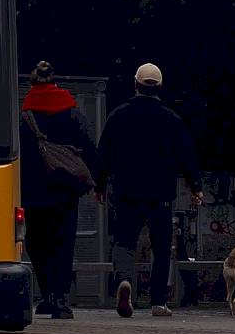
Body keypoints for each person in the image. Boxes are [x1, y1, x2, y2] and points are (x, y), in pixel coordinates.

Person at [95, 61, 202, 318]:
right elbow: (186, 154)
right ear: (160, 88)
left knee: (124, 242)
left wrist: (99, 185)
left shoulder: (119, 115)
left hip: (126, 191)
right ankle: (158, 302)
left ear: (135, 85)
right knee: (162, 247)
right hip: (161, 194)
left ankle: (124, 281)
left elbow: (104, 153)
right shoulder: (170, 118)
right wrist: (195, 186)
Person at [20, 61, 97, 318]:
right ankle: (62, 299)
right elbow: (87, 142)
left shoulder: (25, 111)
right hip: (64, 188)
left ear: (32, 83)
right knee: (63, 243)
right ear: (54, 81)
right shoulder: (70, 108)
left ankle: (47, 294)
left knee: (37, 243)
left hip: (32, 190)